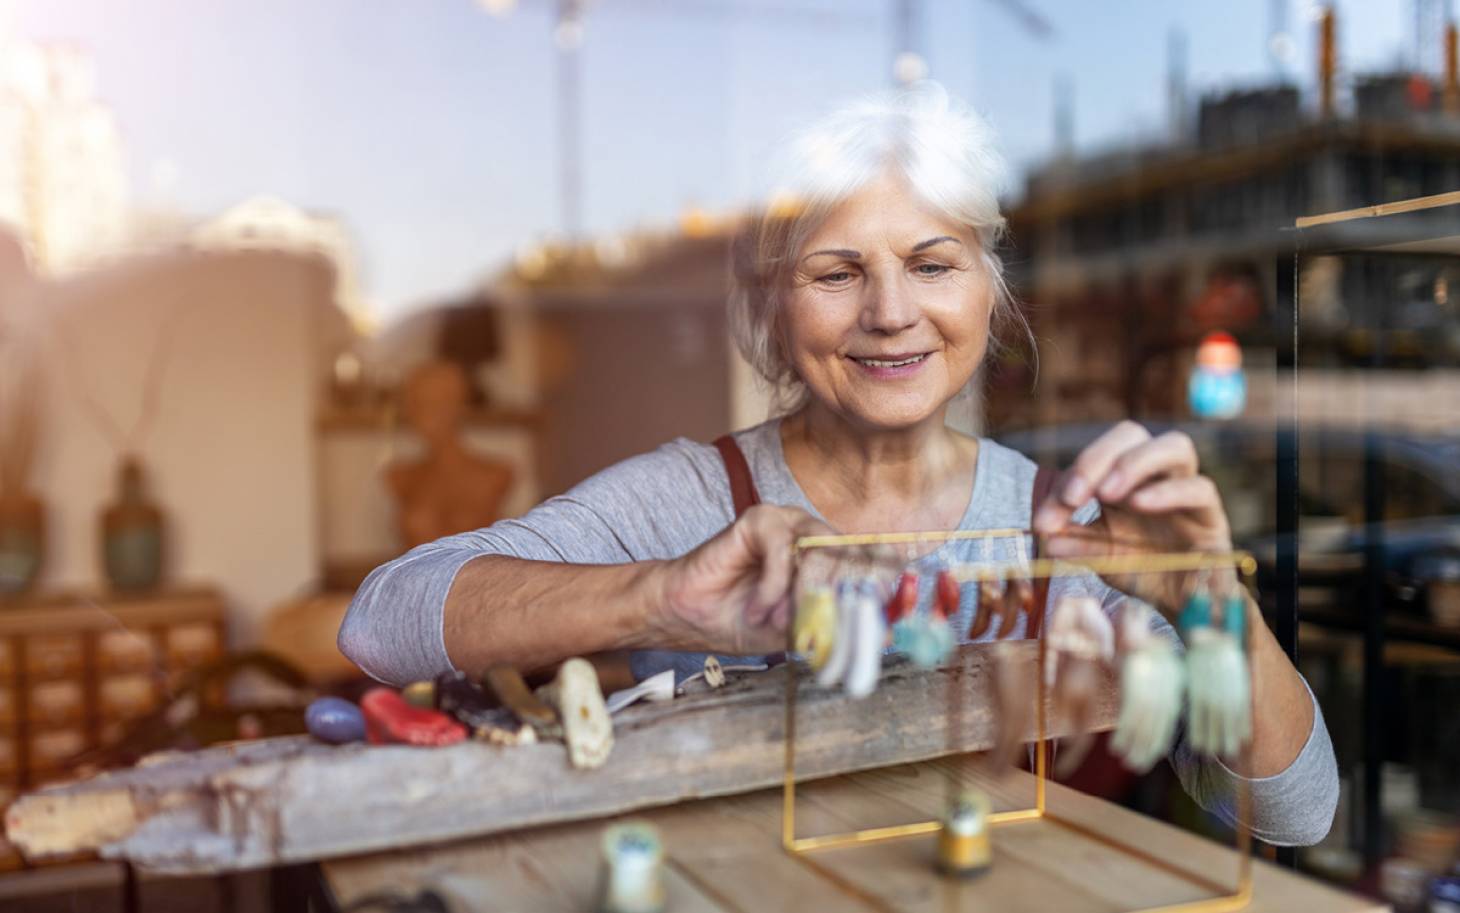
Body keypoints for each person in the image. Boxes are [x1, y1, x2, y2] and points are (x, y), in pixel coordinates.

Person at [339, 83, 1337, 846]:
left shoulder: (1063, 526)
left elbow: (1291, 812)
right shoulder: (695, 498)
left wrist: (1210, 597)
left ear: (986, 293)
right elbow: (381, 621)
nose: (890, 312)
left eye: (932, 264)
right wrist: (662, 600)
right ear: (778, 304)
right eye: (836, 271)